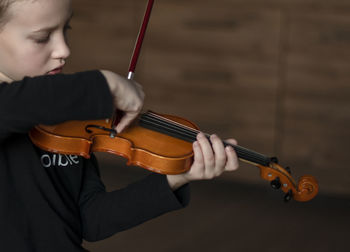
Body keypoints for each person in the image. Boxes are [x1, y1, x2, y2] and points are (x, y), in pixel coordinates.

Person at [0, 0, 239, 251]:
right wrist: (103, 83)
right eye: (42, 37)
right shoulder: (67, 98)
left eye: (66, 29)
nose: (64, 49)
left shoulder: (71, 117)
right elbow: (14, 104)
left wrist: (176, 177)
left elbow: (90, 219)